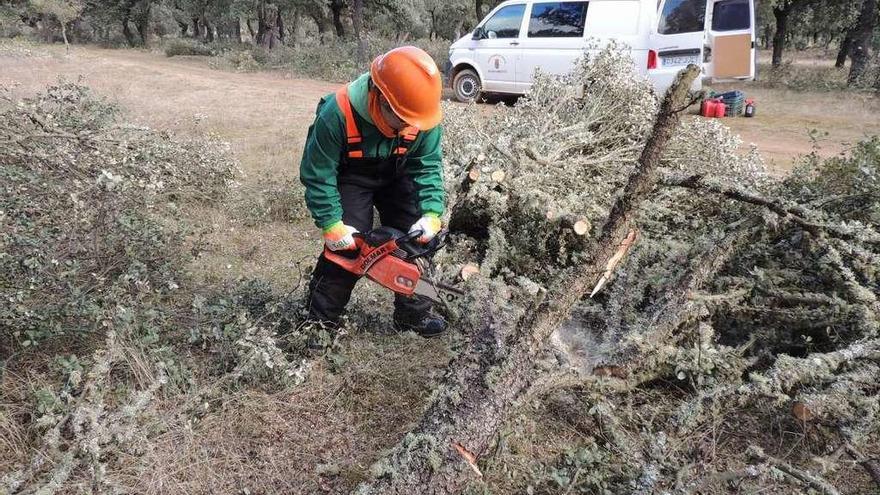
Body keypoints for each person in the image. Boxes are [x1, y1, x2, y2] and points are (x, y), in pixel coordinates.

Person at [299, 46, 447, 338]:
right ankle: (318, 324)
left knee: (418, 241)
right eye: (403, 119)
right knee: (348, 248)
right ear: (380, 98)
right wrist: (331, 224)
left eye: (413, 122)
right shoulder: (337, 113)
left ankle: (413, 315)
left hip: (400, 170)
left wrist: (431, 212)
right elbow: (318, 174)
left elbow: (428, 164)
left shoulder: (421, 114)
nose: (409, 127)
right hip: (353, 175)